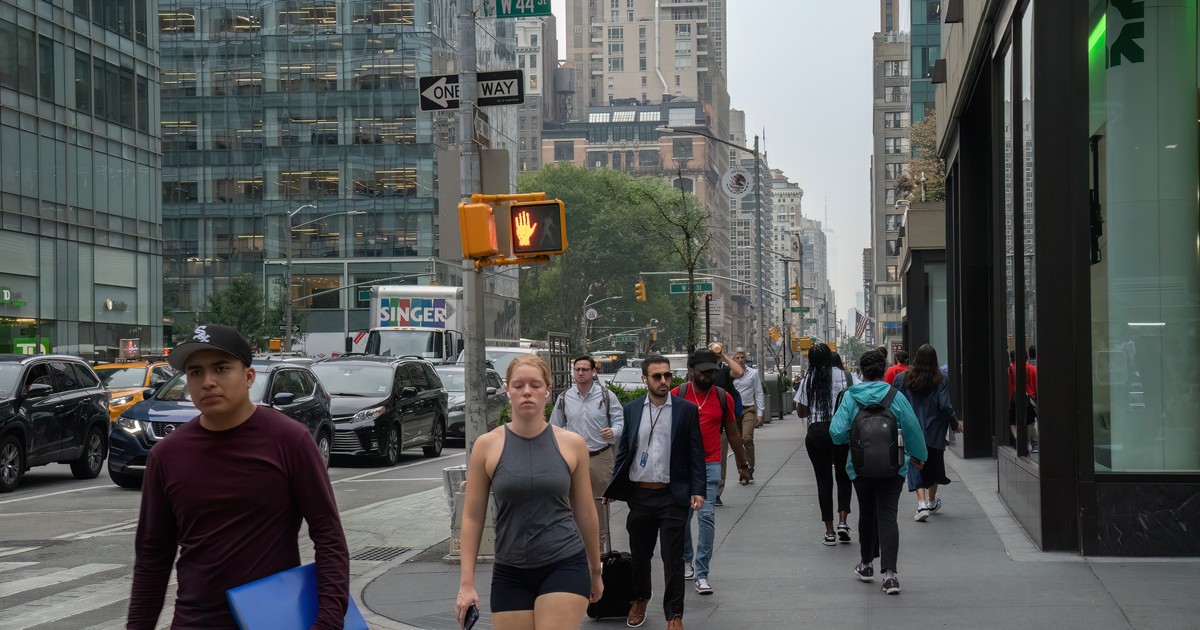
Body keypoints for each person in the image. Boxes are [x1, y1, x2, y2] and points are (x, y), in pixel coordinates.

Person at [128, 324, 350, 628]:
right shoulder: (166, 456)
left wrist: (329, 621)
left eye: (221, 368)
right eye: (195, 372)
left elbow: (329, 536)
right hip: (195, 621)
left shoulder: (289, 440)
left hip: (274, 619)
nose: (207, 382)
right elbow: (153, 556)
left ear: (248, 377)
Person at [457, 355, 602, 630]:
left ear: (548, 391)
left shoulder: (572, 444)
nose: (527, 391)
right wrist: (466, 584)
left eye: (535, 385)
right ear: (507, 389)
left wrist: (596, 570)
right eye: (519, 385)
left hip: (564, 563)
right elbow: (472, 518)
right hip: (510, 570)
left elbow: (585, 511)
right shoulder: (487, 446)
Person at [603, 355, 706, 630]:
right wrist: (614, 485)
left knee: (673, 558)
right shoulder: (633, 409)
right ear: (645, 379)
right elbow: (624, 450)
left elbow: (696, 452)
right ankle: (640, 598)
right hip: (640, 495)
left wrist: (698, 489)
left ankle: (674, 614)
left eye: (667, 376)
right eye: (657, 376)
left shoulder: (686, 410)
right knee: (640, 555)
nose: (664, 381)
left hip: (673, 495)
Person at [830, 349, 927, 595]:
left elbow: (836, 432)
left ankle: (866, 565)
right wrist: (918, 457)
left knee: (866, 513)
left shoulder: (851, 396)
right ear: (884, 370)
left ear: (861, 372)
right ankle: (890, 576)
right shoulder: (895, 396)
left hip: (860, 467)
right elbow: (913, 428)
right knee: (887, 516)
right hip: (893, 467)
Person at [675, 349, 751, 595]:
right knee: (683, 517)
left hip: (709, 464)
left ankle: (702, 573)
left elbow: (733, 434)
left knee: (706, 517)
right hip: (682, 466)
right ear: (691, 371)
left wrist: (743, 465)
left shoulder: (722, 397)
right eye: (704, 372)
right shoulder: (678, 395)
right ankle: (687, 557)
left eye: (712, 372)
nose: (709, 376)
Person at [893, 344, 962, 522]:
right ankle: (931, 502)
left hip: (911, 428)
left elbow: (894, 401)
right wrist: (954, 423)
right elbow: (945, 405)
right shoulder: (941, 379)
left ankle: (921, 503)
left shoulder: (903, 378)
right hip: (934, 429)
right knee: (934, 464)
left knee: (915, 463)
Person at [794, 343, 854, 546]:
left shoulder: (807, 380)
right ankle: (843, 522)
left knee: (823, 481)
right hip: (841, 432)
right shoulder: (847, 377)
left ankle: (829, 531)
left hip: (817, 432)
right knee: (844, 477)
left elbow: (801, 411)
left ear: (810, 360)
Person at [550, 355, 625, 499]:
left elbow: (621, 421)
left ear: (593, 372)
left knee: (600, 504)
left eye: (584, 369)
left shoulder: (606, 396)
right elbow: (554, 427)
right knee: (572, 502)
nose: (580, 373)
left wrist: (613, 431)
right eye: (577, 369)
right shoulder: (565, 397)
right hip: (573, 458)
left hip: (600, 457)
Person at [707, 342, 744, 504]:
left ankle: (716, 492)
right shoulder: (702, 369)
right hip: (702, 418)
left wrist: (723, 355)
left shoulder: (724, 370)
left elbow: (739, 372)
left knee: (719, 458)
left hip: (721, 421)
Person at [731, 348, 765, 478]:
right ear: (733, 359)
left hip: (748, 409)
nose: (740, 360)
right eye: (737, 358)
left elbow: (759, 392)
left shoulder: (753, 373)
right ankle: (741, 469)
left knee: (747, 438)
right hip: (733, 411)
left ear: (745, 358)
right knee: (737, 442)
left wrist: (760, 413)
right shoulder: (729, 373)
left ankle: (750, 466)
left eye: (742, 357)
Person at [1007, 348, 1040, 452]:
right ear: (1026, 357)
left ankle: (1017, 439)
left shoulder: (1010, 370)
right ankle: (1034, 443)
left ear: (1012, 358)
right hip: (1030, 399)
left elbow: (1010, 389)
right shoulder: (1033, 369)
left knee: (1012, 422)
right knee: (1030, 421)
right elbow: (1036, 387)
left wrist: (1009, 403)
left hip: (1015, 399)